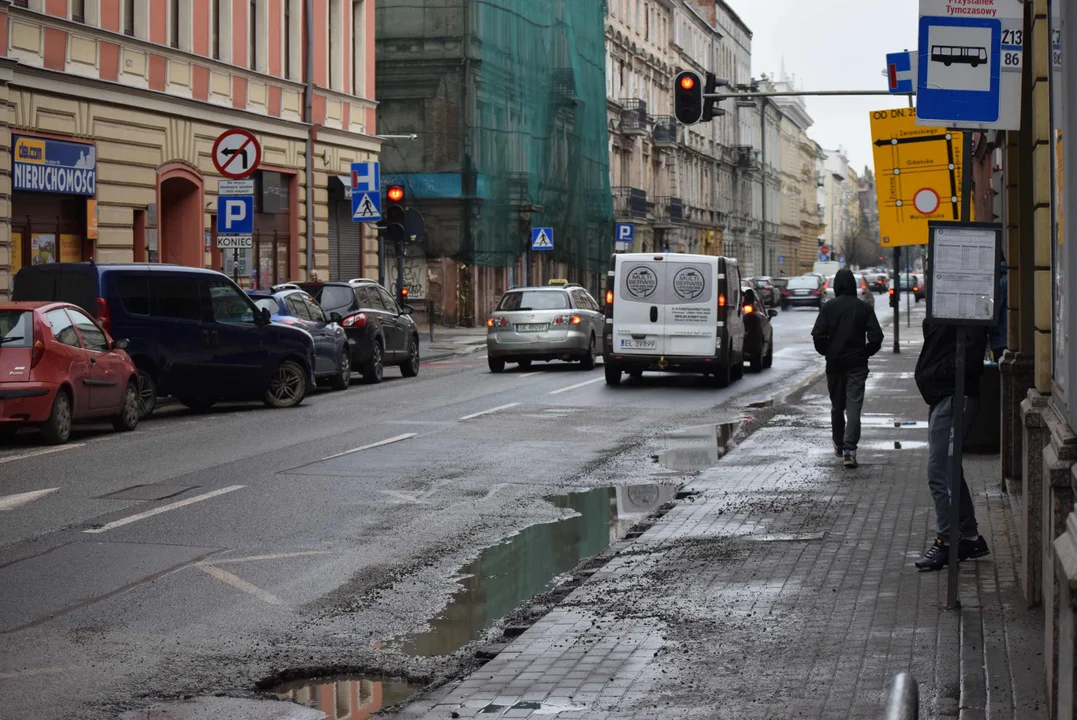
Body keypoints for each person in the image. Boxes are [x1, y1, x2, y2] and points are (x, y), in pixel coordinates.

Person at [913, 321, 991, 570]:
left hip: (954, 396)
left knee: (940, 472)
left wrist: (935, 373)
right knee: (949, 470)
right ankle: (970, 538)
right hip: (944, 395)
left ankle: (947, 541)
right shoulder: (945, 306)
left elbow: (971, 358)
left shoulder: (966, 309)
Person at [811, 268, 885, 469]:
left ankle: (838, 442)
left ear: (836, 287)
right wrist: (866, 352)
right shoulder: (863, 307)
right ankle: (849, 451)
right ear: (853, 285)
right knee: (854, 406)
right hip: (857, 364)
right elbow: (876, 337)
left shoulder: (829, 307)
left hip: (834, 365)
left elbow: (818, 335)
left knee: (837, 406)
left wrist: (827, 351)